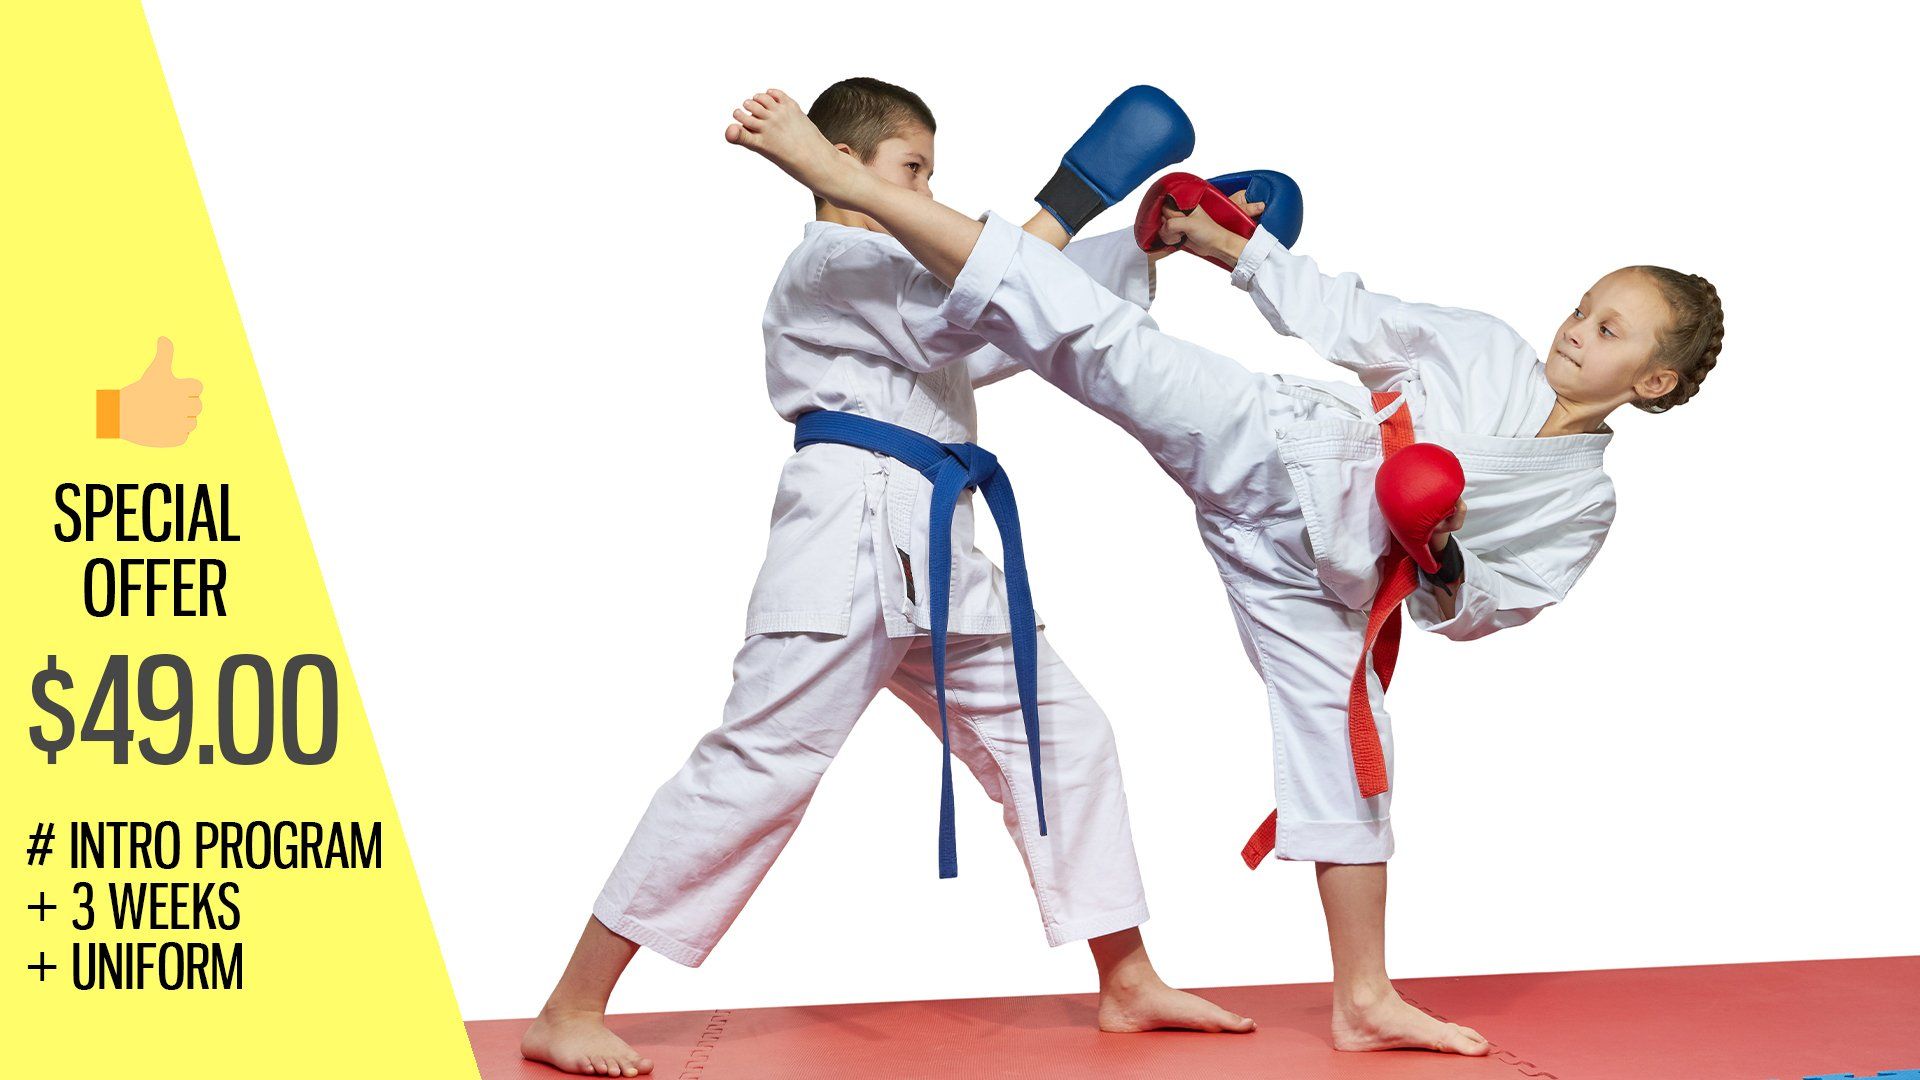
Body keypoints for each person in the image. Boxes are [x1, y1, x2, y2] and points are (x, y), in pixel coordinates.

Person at [724, 86, 1724, 1056]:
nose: (1573, 330)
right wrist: (1235, 247)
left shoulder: (1582, 502)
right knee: (1095, 336)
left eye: (1607, 330)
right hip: (1283, 444)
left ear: (1653, 382)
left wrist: (1442, 556)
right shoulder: (1486, 349)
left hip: (1336, 571)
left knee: (1351, 743)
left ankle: (1365, 998)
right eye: (1584, 308)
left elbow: (1499, 603)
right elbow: (1347, 315)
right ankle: (864, 180)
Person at [522, 78, 1251, 1079]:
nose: (927, 190)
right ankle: (570, 1007)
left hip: (940, 538)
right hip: (849, 534)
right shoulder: (832, 261)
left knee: (1060, 734)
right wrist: (1072, 204)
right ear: (846, 165)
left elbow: (1002, 319)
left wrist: (1140, 246)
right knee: (758, 767)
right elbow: (972, 302)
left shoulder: (903, 269)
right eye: (914, 171)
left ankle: (1124, 977)